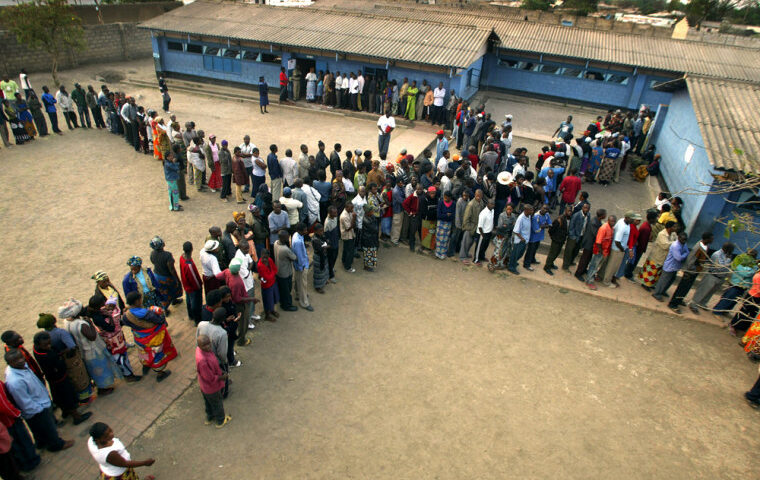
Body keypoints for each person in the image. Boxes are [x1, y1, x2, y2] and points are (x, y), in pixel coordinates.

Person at [4, 349, 75, 452]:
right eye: (16, 360)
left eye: (21, 357)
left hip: (40, 402)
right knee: (48, 428)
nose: (20, 361)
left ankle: (41, 443)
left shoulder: (22, 367)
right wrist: (40, 409)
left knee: (39, 429)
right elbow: (25, 402)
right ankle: (57, 445)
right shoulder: (15, 381)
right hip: (36, 409)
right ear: (10, 363)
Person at [58, 299, 121, 395]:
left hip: (83, 350)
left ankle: (100, 386)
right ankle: (102, 388)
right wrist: (90, 324)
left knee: (93, 370)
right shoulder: (81, 324)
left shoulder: (67, 321)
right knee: (101, 370)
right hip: (93, 351)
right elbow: (92, 337)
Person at [31, 332, 93, 425]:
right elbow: (58, 364)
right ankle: (76, 417)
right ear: (38, 344)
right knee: (68, 397)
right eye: (46, 345)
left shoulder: (37, 349)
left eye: (49, 343)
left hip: (53, 378)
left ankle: (66, 411)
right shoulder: (46, 356)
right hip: (59, 378)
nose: (49, 346)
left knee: (60, 397)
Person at [122, 292, 176, 382]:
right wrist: (160, 312)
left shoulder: (126, 315)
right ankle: (160, 373)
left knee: (144, 352)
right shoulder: (145, 313)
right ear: (136, 301)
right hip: (152, 338)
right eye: (140, 299)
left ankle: (146, 365)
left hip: (139, 338)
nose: (141, 300)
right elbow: (160, 320)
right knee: (157, 353)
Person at [85, 295, 139, 382]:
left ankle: (127, 372)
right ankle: (128, 375)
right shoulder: (97, 317)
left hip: (112, 339)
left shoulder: (94, 311)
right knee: (120, 358)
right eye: (103, 303)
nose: (104, 304)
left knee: (120, 356)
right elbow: (111, 328)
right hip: (113, 340)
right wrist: (111, 317)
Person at [666, 232, 714, 313]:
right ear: (707, 239)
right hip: (690, 272)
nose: (712, 240)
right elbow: (690, 261)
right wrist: (690, 271)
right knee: (682, 288)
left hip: (695, 271)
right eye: (711, 238)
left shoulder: (705, 246)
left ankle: (680, 300)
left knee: (686, 288)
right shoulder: (698, 247)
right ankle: (673, 304)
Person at [88, 422, 155, 479]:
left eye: (110, 430)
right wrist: (145, 463)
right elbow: (124, 463)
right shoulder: (109, 453)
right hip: (120, 474)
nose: (111, 434)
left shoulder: (91, 441)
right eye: (106, 436)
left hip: (110, 470)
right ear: (98, 439)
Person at [195, 335, 230, 428]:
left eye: (208, 344)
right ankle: (221, 420)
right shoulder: (202, 361)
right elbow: (209, 378)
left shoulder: (200, 350)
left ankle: (210, 417)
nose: (208, 347)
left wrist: (219, 371)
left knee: (208, 402)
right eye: (204, 345)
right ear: (199, 345)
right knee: (217, 403)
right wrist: (222, 377)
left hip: (204, 386)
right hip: (211, 387)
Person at [688, 242, 734, 314]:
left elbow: (727, 267)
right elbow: (720, 267)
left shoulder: (727, 255)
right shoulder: (717, 254)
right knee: (702, 291)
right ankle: (693, 304)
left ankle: (702, 303)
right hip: (712, 276)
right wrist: (728, 261)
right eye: (731, 249)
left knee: (711, 292)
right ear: (727, 249)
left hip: (720, 277)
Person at [713, 251, 758, 316]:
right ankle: (717, 312)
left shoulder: (753, 264)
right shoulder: (739, 261)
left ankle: (725, 311)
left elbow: (751, 271)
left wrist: (752, 269)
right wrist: (752, 270)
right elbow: (747, 273)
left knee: (734, 301)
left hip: (744, 285)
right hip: (736, 284)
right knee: (728, 298)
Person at [149, 236, 183, 312]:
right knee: (173, 288)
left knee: (163, 292)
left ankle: (165, 309)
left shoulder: (152, 254)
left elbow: (153, 262)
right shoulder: (167, 255)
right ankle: (173, 301)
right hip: (167, 277)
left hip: (157, 276)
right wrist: (177, 279)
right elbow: (172, 269)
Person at [652, 232, 689, 301]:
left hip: (675, 267)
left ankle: (662, 291)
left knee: (670, 280)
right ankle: (657, 293)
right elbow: (679, 258)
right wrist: (684, 255)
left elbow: (687, 252)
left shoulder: (684, 244)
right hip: (669, 266)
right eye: (683, 239)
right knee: (663, 281)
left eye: (685, 240)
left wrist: (683, 255)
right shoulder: (675, 246)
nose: (684, 241)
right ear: (679, 238)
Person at [585, 215, 616, 290]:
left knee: (596, 265)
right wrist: (601, 251)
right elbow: (598, 242)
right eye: (612, 221)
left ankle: (592, 277)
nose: (613, 223)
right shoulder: (604, 228)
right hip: (599, 251)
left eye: (614, 221)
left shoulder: (611, 228)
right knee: (593, 266)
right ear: (608, 220)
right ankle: (589, 281)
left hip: (604, 251)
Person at [730, 270, 760, 336]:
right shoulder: (758, 276)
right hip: (753, 296)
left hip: (757, 297)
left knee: (752, 314)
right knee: (744, 312)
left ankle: (742, 328)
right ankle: (734, 325)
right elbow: (758, 290)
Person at [274, 230, 298, 311]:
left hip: (278, 271)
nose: (288, 238)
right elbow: (294, 257)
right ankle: (287, 305)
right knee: (287, 290)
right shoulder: (285, 249)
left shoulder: (276, 243)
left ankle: (282, 302)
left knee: (282, 289)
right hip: (285, 273)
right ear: (283, 238)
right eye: (287, 237)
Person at [544, 206, 572, 275]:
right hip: (556, 239)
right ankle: (547, 266)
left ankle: (551, 263)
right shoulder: (559, 219)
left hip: (562, 240)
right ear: (565, 210)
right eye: (568, 211)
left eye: (571, 211)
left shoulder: (569, 219)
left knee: (557, 253)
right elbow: (551, 230)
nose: (569, 212)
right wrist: (553, 237)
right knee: (552, 253)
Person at [292, 223, 313, 311]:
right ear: (300, 231)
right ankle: (304, 302)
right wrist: (303, 267)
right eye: (304, 230)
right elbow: (299, 256)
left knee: (298, 281)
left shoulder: (296, 235)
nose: (306, 231)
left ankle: (297, 294)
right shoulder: (298, 241)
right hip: (301, 265)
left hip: (299, 264)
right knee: (303, 284)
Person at [257, 250, 280, 322]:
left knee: (273, 298)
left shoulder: (270, 260)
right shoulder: (260, 265)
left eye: (266, 258)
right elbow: (267, 277)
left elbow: (275, 269)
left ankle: (272, 310)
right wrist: (272, 274)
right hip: (266, 286)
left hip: (272, 283)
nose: (264, 259)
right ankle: (267, 315)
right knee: (267, 300)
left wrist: (272, 274)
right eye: (263, 257)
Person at [311, 223, 329, 293]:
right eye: (320, 231)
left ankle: (324, 281)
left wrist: (325, 246)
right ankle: (318, 287)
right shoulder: (315, 239)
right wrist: (326, 246)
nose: (322, 232)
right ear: (315, 231)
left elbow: (326, 242)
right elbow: (322, 248)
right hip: (318, 257)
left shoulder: (321, 236)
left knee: (324, 270)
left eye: (322, 230)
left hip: (323, 256)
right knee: (318, 272)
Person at [362, 204, 380, 271]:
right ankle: (366, 266)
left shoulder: (371, 217)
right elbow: (375, 229)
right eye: (371, 211)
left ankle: (369, 265)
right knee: (368, 252)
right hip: (368, 239)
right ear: (367, 212)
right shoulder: (365, 220)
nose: (373, 212)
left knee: (371, 252)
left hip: (372, 238)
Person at [340, 202, 357, 272]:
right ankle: (348, 267)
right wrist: (354, 218)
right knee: (349, 251)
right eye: (351, 208)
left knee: (346, 249)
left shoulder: (349, 212)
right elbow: (348, 228)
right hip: (347, 235)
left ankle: (344, 261)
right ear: (346, 208)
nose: (352, 209)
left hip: (349, 234)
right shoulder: (344, 216)